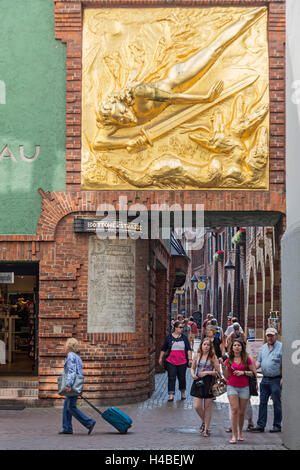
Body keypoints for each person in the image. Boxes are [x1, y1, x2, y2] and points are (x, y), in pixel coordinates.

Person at [94, 8, 265, 151]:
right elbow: (98, 143)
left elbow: (171, 97)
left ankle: (250, 17)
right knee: (215, 49)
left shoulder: (138, 93)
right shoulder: (115, 121)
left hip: (180, 79)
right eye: (121, 119)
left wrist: (204, 99)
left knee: (215, 48)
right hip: (175, 94)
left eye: (123, 112)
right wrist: (127, 142)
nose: (126, 118)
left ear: (124, 103)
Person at [59, 338, 96, 435]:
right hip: (76, 384)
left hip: (72, 385)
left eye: (65, 345)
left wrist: (68, 384)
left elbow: (71, 371)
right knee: (67, 407)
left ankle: (89, 422)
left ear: (69, 346)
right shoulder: (76, 356)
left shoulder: (70, 356)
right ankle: (67, 428)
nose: (64, 347)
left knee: (71, 407)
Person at [223, 338, 256, 444]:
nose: (237, 347)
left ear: (242, 347)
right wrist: (224, 368)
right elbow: (226, 376)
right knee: (234, 409)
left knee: (242, 412)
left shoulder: (247, 359)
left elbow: (253, 373)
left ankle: (240, 432)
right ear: (232, 348)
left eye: (239, 345)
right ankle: (233, 435)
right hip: (232, 386)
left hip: (244, 387)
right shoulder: (228, 360)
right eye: (235, 345)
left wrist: (244, 373)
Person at [252, 328, 282, 433]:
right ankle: (261, 425)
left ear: (276, 336)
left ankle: (277, 425)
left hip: (276, 380)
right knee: (262, 402)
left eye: (271, 335)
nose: (269, 337)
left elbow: (285, 365)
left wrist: (283, 378)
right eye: (268, 336)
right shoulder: (264, 347)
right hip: (264, 380)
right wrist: (252, 369)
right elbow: (259, 361)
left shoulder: (281, 347)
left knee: (277, 403)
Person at [190, 337, 220, 437]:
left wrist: (206, 372)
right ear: (201, 345)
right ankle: (204, 421)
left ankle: (206, 429)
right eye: (204, 344)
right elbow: (192, 368)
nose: (206, 346)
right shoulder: (197, 355)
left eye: (208, 345)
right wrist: (193, 374)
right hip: (198, 381)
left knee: (207, 407)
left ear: (210, 346)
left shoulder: (213, 357)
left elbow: (217, 372)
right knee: (197, 406)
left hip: (208, 382)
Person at [159, 321, 193, 402]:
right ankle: (171, 395)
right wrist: (160, 358)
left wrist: (190, 359)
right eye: (180, 327)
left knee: (182, 378)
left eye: (182, 327)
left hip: (182, 361)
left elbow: (188, 349)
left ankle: (183, 393)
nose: (182, 329)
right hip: (171, 361)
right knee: (171, 377)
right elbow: (164, 348)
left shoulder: (184, 337)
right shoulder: (169, 337)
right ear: (175, 328)